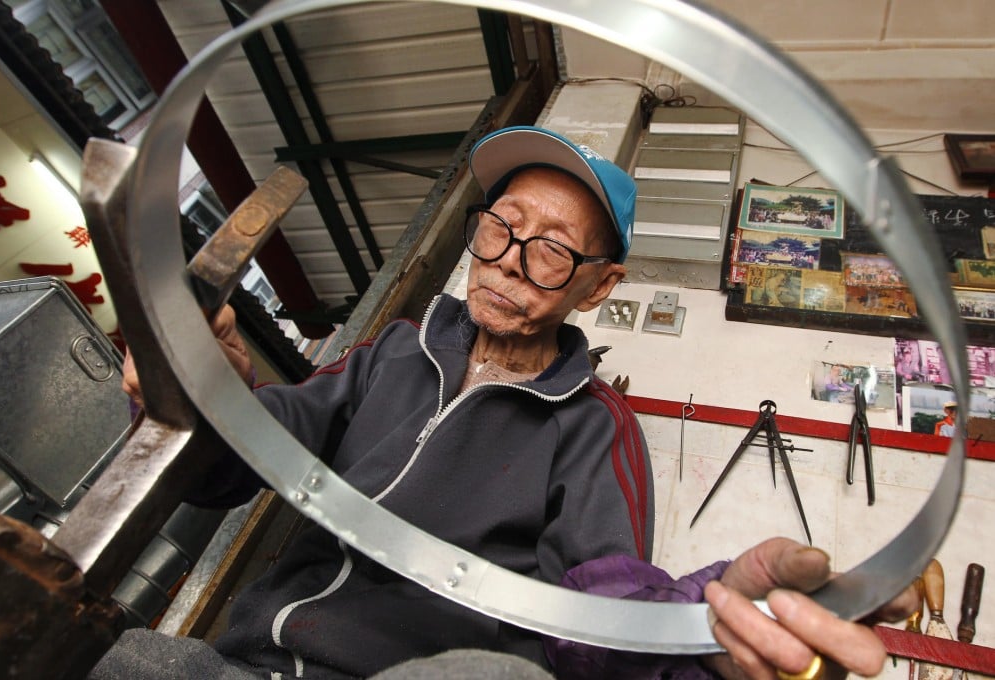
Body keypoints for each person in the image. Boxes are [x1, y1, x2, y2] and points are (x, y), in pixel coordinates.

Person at [99, 126, 915, 680]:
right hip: (252, 663)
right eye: (501, 227)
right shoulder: (393, 352)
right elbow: (238, 466)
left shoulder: (595, 427)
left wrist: (697, 635)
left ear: (598, 288)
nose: (511, 261)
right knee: (135, 660)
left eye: (553, 252)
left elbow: (604, 604)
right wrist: (204, 398)